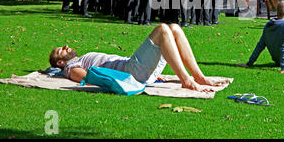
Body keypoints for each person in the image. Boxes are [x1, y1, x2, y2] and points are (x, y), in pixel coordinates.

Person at [49, 24, 229, 92]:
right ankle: (186, 80)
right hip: (130, 72)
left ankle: (198, 76)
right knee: (162, 30)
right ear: (60, 62)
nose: (65, 47)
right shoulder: (71, 68)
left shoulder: (81, 58)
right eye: (60, 51)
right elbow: (90, 78)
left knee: (173, 28)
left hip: (139, 70)